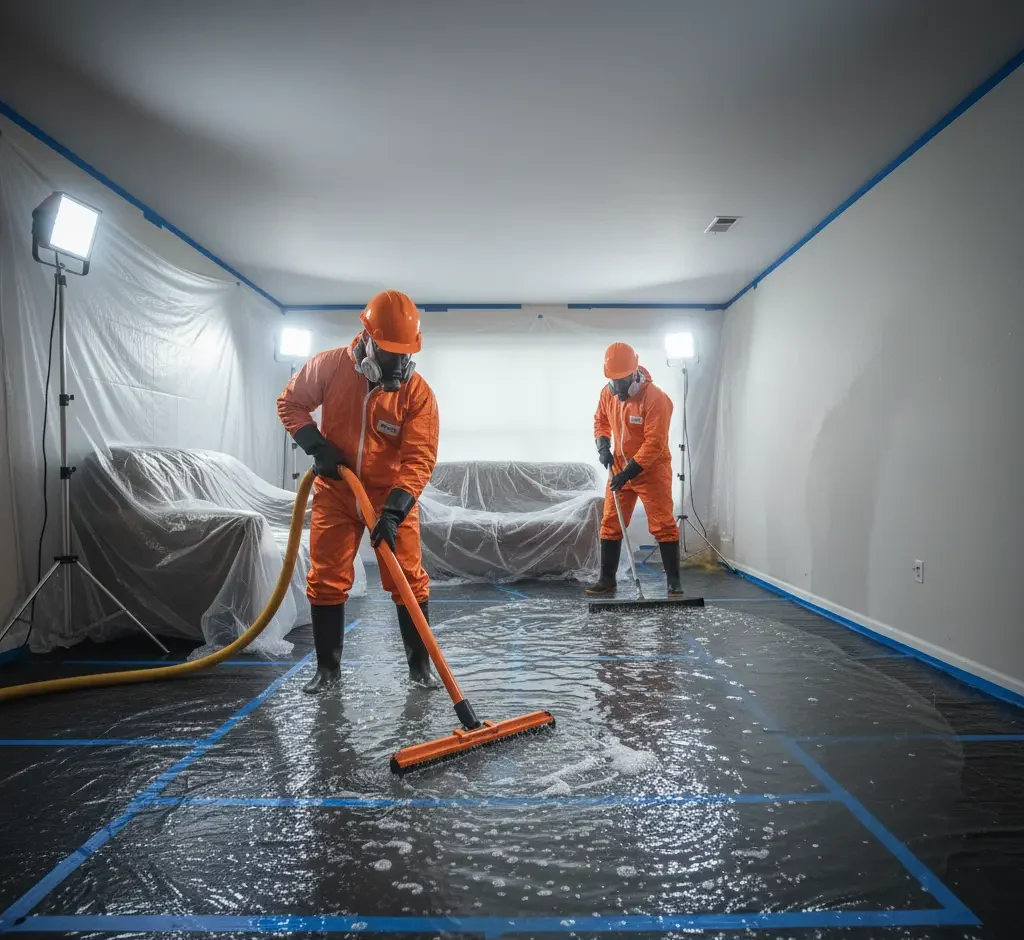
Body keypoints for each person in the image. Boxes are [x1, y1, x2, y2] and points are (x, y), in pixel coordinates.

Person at [277, 290, 440, 694]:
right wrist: (318, 446)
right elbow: (291, 403)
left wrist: (395, 511)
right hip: (336, 489)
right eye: (391, 353)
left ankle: (420, 670)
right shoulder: (329, 367)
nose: (400, 365)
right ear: (367, 340)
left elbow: (419, 458)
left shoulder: (417, 394)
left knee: (408, 580)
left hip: (389, 497)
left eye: (406, 354)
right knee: (328, 578)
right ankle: (327, 673)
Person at [586, 342, 682, 596]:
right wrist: (603, 446)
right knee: (610, 523)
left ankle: (674, 583)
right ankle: (607, 580)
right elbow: (600, 420)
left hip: (651, 469)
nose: (617, 388)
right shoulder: (607, 394)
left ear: (634, 373)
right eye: (612, 381)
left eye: (622, 380)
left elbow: (655, 443)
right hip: (619, 467)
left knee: (663, 524)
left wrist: (629, 473)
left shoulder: (656, 399)